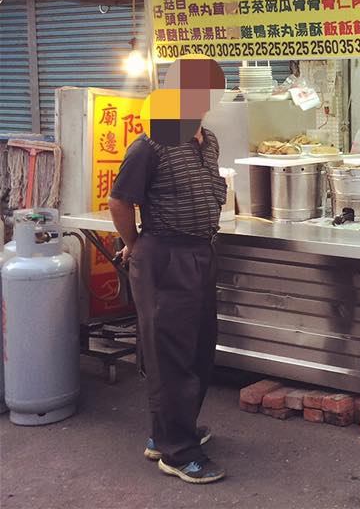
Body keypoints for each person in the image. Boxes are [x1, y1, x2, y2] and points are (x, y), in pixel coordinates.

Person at [108, 56, 228, 484]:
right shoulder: (150, 144)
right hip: (163, 255)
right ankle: (178, 452)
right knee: (170, 356)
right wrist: (135, 245)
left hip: (200, 252)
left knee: (198, 349)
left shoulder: (208, 140)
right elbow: (119, 200)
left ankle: (167, 435)